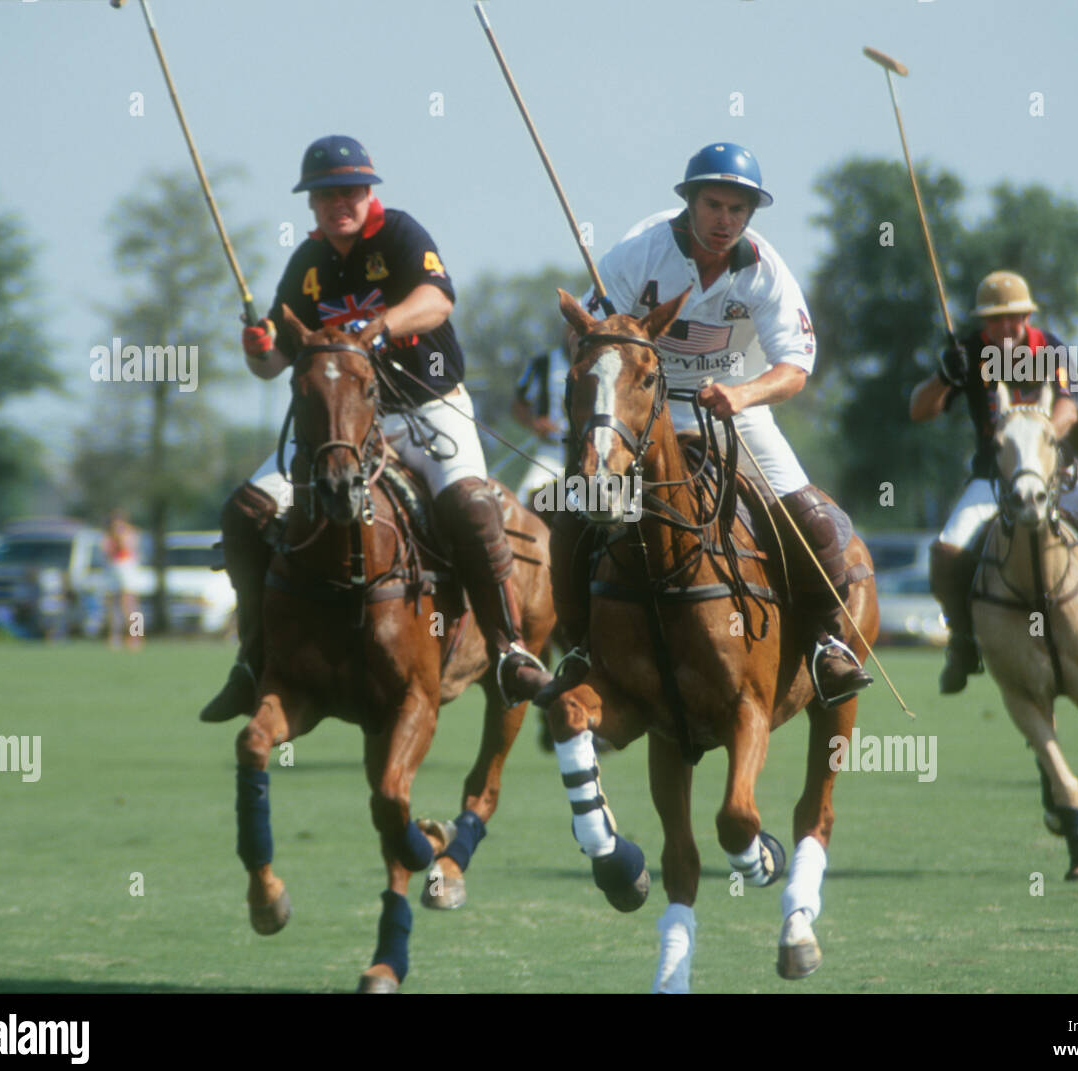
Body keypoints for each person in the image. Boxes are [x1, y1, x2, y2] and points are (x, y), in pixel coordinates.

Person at [200, 135, 550, 721]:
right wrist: (256, 347)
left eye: (350, 190)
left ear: (369, 193)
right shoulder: (307, 264)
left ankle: (508, 649)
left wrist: (378, 326)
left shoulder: (401, 235)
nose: (340, 201)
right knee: (245, 512)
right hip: (340, 421)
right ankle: (252, 660)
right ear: (311, 204)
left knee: (472, 509)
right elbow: (273, 366)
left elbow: (438, 301)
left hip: (427, 406)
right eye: (326, 193)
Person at [539, 142, 873, 709]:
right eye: (714, 205)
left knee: (810, 515)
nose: (725, 220)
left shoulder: (765, 270)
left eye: (738, 210)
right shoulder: (639, 253)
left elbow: (796, 367)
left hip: (735, 407)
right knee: (578, 506)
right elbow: (590, 337)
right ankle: (577, 649)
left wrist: (744, 393)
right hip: (646, 410)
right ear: (689, 203)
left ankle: (824, 643)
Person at [909, 270, 1078, 694]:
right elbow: (919, 411)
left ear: (1027, 317)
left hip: (1060, 469)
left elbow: (1069, 409)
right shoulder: (968, 352)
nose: (1005, 328)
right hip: (994, 476)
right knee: (945, 553)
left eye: (1013, 318)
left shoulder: (1049, 348)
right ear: (984, 323)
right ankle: (962, 640)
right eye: (995, 320)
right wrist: (944, 376)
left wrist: (1037, 444)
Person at [511, 333, 572, 506]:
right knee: (526, 498)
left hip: (590, 454)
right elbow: (519, 403)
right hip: (552, 451)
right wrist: (534, 423)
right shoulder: (543, 363)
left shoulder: (602, 361)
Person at [102, 509, 140, 650]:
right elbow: (106, 552)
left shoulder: (129, 533)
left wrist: (120, 537)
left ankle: (136, 636)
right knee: (114, 603)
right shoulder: (108, 536)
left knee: (130, 603)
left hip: (126, 567)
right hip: (113, 568)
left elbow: (130, 547)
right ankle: (114, 636)